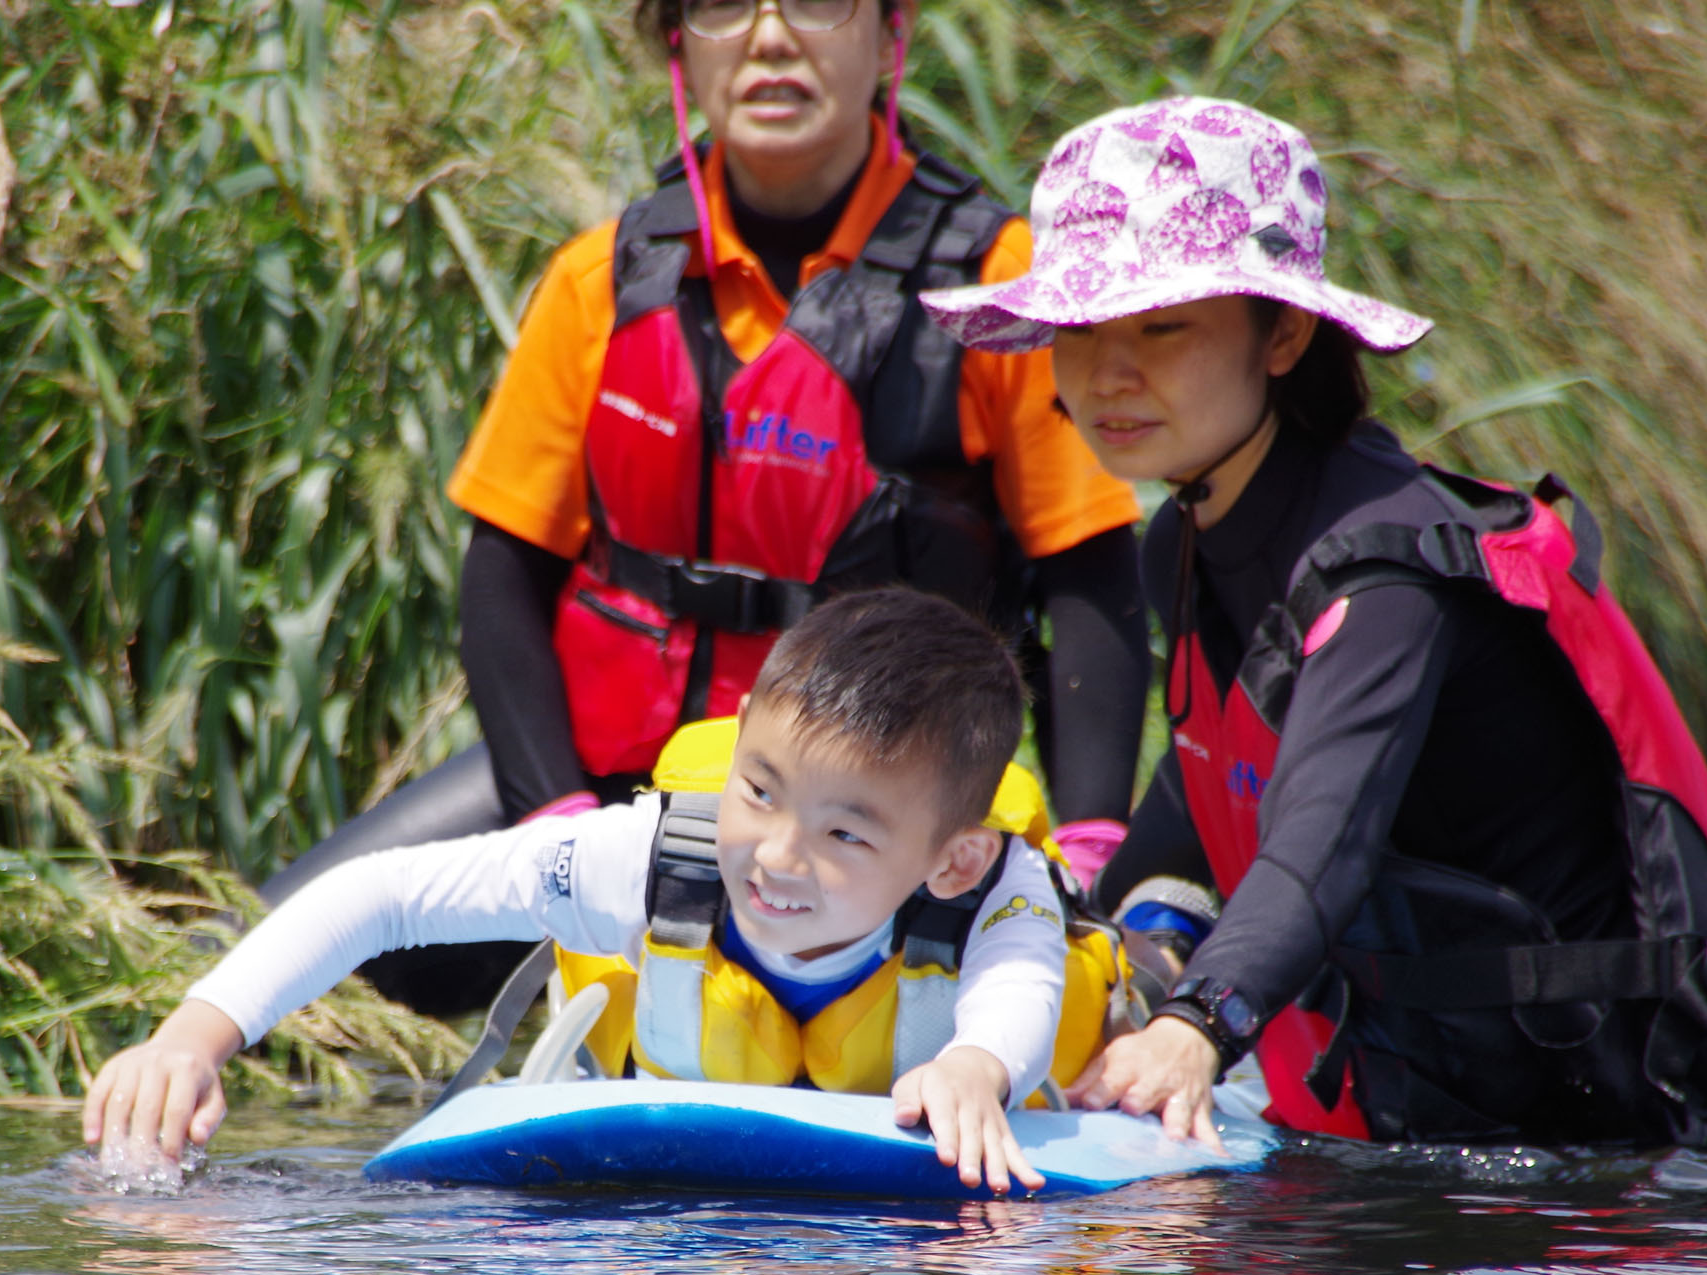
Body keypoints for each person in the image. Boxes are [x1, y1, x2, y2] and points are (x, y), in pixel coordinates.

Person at [921, 97, 1707, 1152]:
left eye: (1162, 324)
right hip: (1421, 1118)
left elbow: (1322, 843)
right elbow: (1195, 803)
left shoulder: (1387, 571)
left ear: (1284, 333)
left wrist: (1194, 1028)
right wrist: (1078, 948)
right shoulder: (1181, 544)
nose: (1107, 372)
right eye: (1080, 329)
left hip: (1602, 1168)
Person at [264, 0, 1148, 1013]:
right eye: (725, 7)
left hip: (877, 814)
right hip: (613, 794)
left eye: (818, 3)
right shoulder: (598, 279)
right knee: (280, 941)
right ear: (679, 40)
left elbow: (1090, 579)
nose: (772, 37)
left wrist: (1087, 850)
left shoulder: (1000, 286)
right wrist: (554, 823)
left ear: (891, 36)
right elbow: (502, 576)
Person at [85, 589, 1126, 1195]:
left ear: (949, 859)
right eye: (758, 791)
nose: (772, 855)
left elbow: (1023, 991)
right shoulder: (658, 857)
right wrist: (193, 1035)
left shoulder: (992, 887)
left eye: (844, 831)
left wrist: (976, 1068)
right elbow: (384, 897)